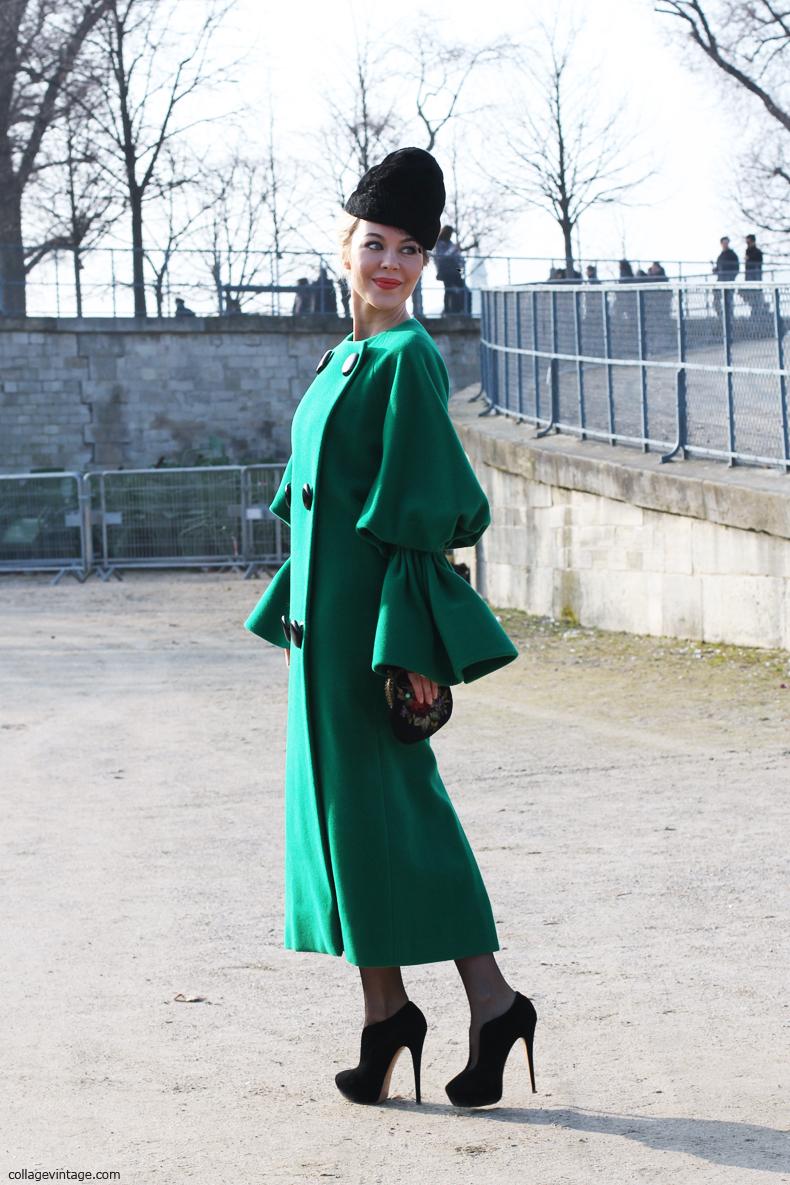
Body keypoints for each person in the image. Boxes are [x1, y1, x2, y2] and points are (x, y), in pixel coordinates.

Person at [243, 146, 534, 1110]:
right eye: (377, 243)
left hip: (371, 643)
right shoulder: (342, 358)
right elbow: (319, 503)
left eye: (411, 249)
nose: (391, 263)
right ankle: (385, 1018)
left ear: (425, 265)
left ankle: (492, 1001)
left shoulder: (408, 357)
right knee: (348, 830)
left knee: (405, 819)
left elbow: (418, 515)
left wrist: (408, 654)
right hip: (322, 643)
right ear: (347, 245)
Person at [434, 225, 469, 314]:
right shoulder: (439, 243)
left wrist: (462, 264)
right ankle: (447, 310)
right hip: (445, 271)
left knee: (465, 291)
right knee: (449, 290)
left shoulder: (451, 244)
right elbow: (442, 257)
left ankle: (461, 310)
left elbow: (458, 259)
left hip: (455, 270)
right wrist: (453, 249)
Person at [713, 236, 739, 320]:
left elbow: (736, 268)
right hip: (720, 281)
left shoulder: (732, 255)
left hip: (729, 281)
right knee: (716, 299)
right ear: (721, 244)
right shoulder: (721, 256)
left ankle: (729, 317)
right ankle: (721, 317)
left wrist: (731, 277)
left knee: (728, 300)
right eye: (724, 243)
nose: (725, 244)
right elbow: (719, 268)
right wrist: (715, 270)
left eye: (727, 243)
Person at [742, 234, 766, 320]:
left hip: (755, 278)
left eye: (749, 242)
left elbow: (758, 264)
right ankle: (756, 313)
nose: (748, 243)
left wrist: (749, 258)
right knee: (748, 295)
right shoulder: (747, 251)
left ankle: (759, 313)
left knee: (757, 297)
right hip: (749, 278)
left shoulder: (757, 252)